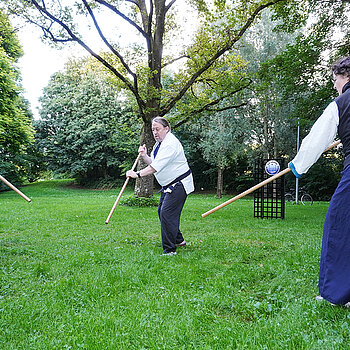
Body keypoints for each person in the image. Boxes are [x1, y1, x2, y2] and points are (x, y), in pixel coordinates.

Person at [289, 56, 350, 306]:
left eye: (335, 80)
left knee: (339, 227)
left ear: (345, 76)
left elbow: (315, 140)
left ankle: (335, 294)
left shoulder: (341, 103)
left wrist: (298, 166)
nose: (334, 85)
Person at [126, 117, 194, 256]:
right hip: (169, 185)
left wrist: (137, 174)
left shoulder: (170, 144)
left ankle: (170, 250)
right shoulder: (159, 144)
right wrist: (144, 155)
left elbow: (154, 168)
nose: (155, 132)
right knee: (162, 212)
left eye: (158, 129)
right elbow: (154, 162)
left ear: (166, 128)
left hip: (179, 184)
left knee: (167, 213)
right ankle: (178, 240)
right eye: (153, 130)